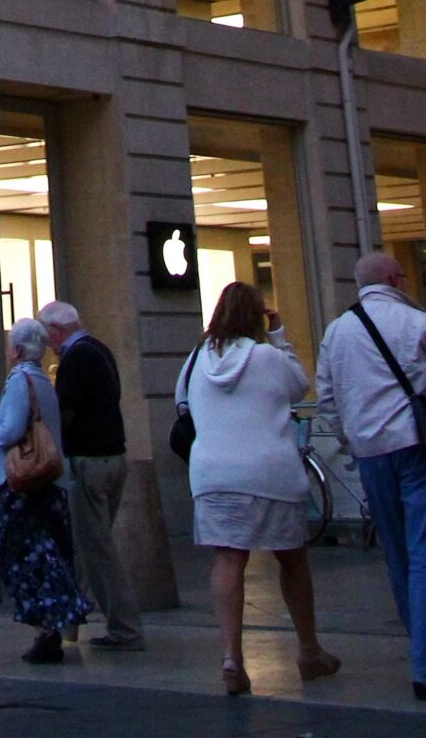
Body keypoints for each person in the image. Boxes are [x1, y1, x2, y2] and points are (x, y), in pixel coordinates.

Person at [177, 280, 339, 695]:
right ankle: (308, 650)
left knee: (228, 558)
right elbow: (299, 385)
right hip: (268, 472)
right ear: (256, 316)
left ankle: (232, 657)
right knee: (292, 560)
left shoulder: (196, 358)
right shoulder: (267, 356)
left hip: (213, 473)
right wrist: (280, 335)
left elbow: (182, 404)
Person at [315, 250, 426, 702]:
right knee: (422, 552)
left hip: (369, 452)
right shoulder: (416, 323)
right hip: (414, 445)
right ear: (393, 279)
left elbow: (326, 396)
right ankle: (422, 659)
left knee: (397, 555)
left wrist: (349, 438)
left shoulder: (336, 331)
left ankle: (417, 642)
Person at [0, 317, 89, 663]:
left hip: (24, 482)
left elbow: (11, 429)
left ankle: (46, 627)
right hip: (49, 483)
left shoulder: (19, 381)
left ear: (16, 350)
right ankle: (54, 624)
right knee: (49, 550)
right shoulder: (43, 380)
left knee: (23, 553)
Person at [38, 300, 144, 651]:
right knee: (89, 547)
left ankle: (125, 629)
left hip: (89, 460)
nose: (47, 344)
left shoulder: (76, 357)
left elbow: (63, 410)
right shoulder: (99, 350)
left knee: (98, 550)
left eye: (46, 334)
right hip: (112, 456)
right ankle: (68, 624)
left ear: (57, 329)